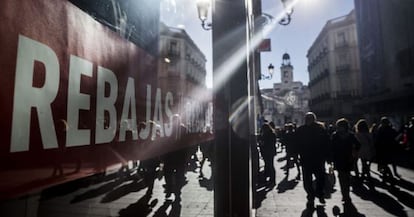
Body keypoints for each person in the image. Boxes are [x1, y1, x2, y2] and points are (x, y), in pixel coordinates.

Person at [296, 112, 330, 208]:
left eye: (309, 118)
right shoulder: (302, 130)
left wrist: (328, 157)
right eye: (307, 119)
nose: (308, 120)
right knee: (309, 180)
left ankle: (317, 194)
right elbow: (297, 143)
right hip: (309, 159)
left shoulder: (319, 129)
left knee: (318, 178)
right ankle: (312, 196)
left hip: (316, 159)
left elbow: (326, 143)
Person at [331, 118, 361, 203]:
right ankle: (345, 195)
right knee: (341, 177)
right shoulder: (335, 135)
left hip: (348, 158)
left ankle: (346, 194)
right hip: (339, 159)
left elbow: (358, 145)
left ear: (345, 127)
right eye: (339, 126)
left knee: (346, 177)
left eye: (342, 126)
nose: (340, 128)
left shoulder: (350, 135)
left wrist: (354, 152)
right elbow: (331, 147)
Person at [375, 117, 400, 183]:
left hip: (386, 149)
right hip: (386, 149)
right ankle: (387, 176)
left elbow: (377, 139)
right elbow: (396, 137)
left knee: (385, 164)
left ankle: (389, 177)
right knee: (385, 164)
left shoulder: (382, 129)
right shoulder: (388, 129)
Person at [259, 123, 277, 187]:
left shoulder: (267, 135)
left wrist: (262, 142)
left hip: (268, 152)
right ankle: (270, 179)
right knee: (269, 165)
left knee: (270, 165)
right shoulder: (272, 134)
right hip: (270, 152)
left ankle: (272, 180)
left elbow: (265, 143)